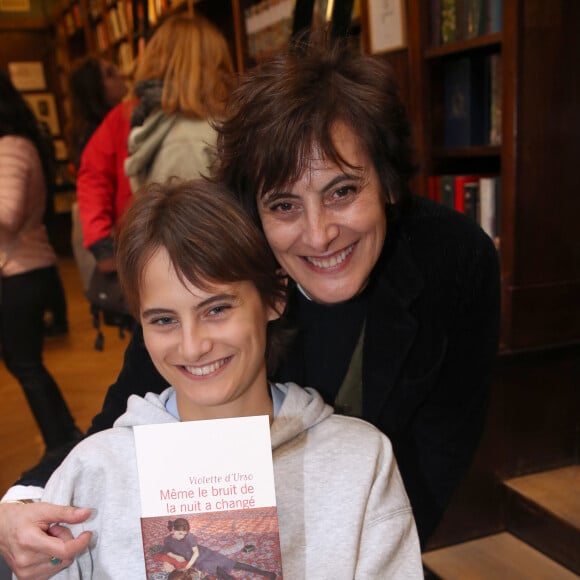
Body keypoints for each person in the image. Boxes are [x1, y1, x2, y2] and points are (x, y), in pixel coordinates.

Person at [0, 31, 499, 577]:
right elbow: (122, 423)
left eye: (342, 191)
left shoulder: (452, 258)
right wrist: (21, 504)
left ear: (387, 183)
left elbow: (436, 458)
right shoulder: (232, 273)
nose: (319, 233)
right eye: (284, 204)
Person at [38, 180, 421, 578]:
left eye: (217, 309)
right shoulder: (94, 471)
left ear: (274, 298)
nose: (192, 347)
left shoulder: (360, 460)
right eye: (164, 320)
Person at [0, 71, 82, 453]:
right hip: (18, 270)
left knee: (26, 364)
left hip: (18, 272)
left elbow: (8, 213)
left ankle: (62, 439)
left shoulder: (11, 146)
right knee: (24, 363)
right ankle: (62, 437)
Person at [67, 56, 128, 292]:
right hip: (109, 235)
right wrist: (105, 250)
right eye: (110, 74)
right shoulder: (98, 132)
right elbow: (94, 188)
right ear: (94, 88)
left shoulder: (114, 122)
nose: (121, 75)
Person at [161, 518, 276, 579]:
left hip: (203, 555)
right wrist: (174, 556)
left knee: (232, 563)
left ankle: (265, 573)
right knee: (220, 572)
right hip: (198, 563)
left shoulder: (189, 537)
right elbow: (165, 550)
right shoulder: (168, 540)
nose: (183, 536)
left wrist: (186, 567)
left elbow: (196, 554)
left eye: (185, 533)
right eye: (180, 533)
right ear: (173, 531)